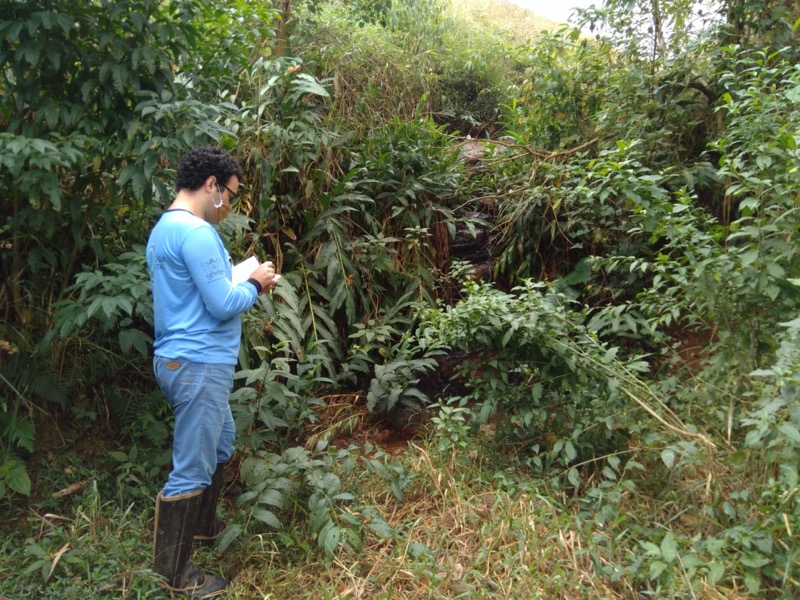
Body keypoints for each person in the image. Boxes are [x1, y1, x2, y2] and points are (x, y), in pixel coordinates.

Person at [146, 146, 278, 597]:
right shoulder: (198, 234)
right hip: (199, 364)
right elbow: (222, 304)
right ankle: (175, 573)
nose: (230, 206)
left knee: (221, 441)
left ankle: (200, 527)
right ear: (211, 186)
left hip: (180, 358)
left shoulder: (164, 228)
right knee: (192, 467)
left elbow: (194, 296)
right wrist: (256, 284)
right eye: (231, 196)